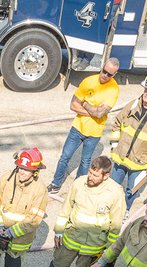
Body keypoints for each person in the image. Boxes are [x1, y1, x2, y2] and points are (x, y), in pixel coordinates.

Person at [33, 155, 124, 267]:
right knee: (58, 264)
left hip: (94, 245)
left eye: (96, 175)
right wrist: (59, 231)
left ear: (106, 176)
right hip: (71, 237)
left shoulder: (115, 193)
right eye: (90, 172)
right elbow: (66, 208)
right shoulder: (79, 183)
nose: (91, 177)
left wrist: (109, 250)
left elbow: (115, 224)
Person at [46, 58, 121, 194]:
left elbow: (100, 113)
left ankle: (77, 188)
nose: (105, 76)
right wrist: (93, 111)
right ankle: (56, 183)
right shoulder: (88, 81)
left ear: (114, 75)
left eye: (109, 74)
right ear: (102, 67)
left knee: (85, 162)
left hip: (94, 133)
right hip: (77, 128)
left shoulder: (113, 89)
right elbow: (73, 105)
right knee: (65, 157)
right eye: (104, 71)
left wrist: (85, 103)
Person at [107, 70, 147, 210]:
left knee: (131, 191)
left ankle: (124, 211)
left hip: (140, 164)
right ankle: (109, 209)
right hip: (120, 157)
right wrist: (114, 146)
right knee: (112, 188)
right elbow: (117, 123)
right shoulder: (132, 105)